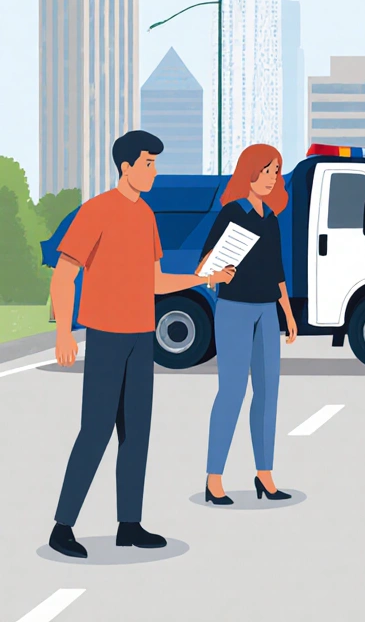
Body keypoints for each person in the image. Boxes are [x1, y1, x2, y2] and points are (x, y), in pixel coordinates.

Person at [48, 130, 236, 559]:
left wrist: (206, 279)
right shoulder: (96, 211)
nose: (154, 171)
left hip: (140, 335)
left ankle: (128, 525)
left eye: (156, 163)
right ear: (126, 167)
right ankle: (63, 526)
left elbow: (156, 282)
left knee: (136, 434)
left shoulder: (146, 215)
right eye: (148, 163)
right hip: (107, 336)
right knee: (95, 431)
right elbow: (64, 272)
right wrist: (63, 332)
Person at [199, 144, 298, 506]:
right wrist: (217, 272)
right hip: (234, 309)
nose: (272, 178)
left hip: (266, 311)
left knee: (268, 392)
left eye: (276, 172)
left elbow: (277, 271)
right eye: (267, 171)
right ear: (249, 172)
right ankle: (214, 478)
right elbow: (204, 264)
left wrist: (287, 313)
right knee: (233, 391)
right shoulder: (231, 212)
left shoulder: (270, 218)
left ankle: (265, 475)